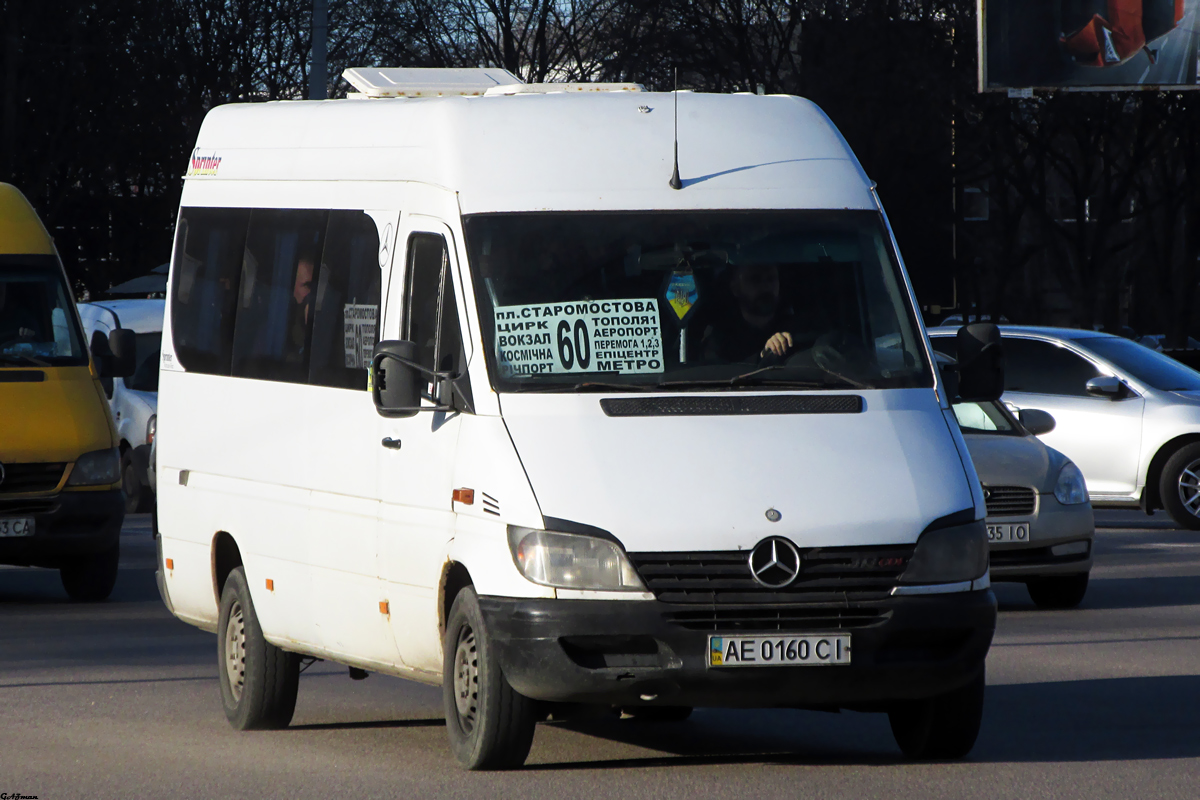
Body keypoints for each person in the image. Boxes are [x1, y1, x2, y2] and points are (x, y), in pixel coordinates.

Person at [702, 262, 796, 363]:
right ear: (736, 288)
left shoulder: (797, 329)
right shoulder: (720, 338)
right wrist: (764, 355)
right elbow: (716, 372)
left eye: (771, 278)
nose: (765, 286)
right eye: (755, 279)